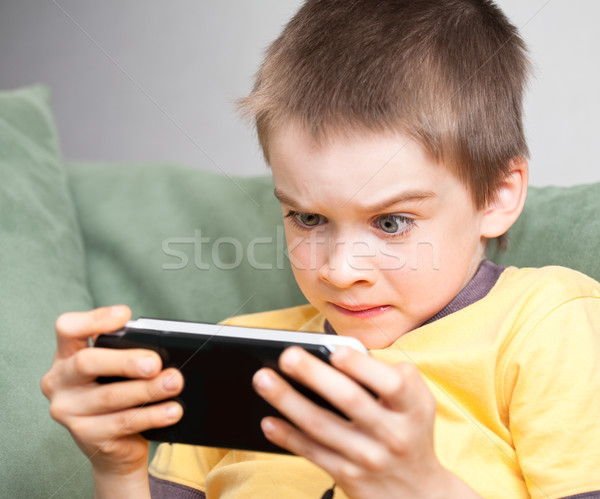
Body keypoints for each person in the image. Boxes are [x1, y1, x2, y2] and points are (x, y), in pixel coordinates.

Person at [41, 1, 600, 498]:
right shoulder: (241, 355)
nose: (340, 270)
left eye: (392, 221)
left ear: (498, 196)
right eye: (308, 217)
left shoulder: (546, 322)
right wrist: (117, 472)